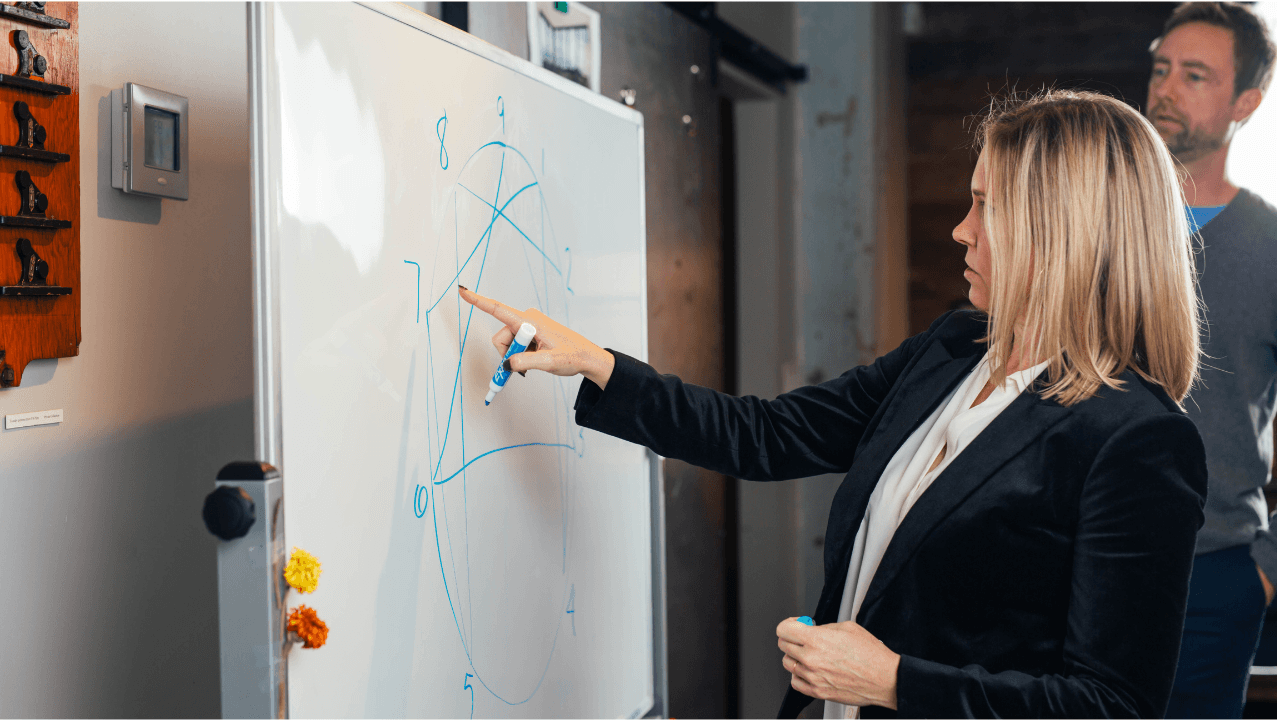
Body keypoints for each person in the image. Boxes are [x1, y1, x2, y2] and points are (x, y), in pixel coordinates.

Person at [460, 89, 1207, 718]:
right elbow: (768, 435)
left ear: (1063, 229)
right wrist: (598, 365)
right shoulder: (953, 347)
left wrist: (890, 681)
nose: (961, 230)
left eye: (986, 206)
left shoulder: (1136, 440)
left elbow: (1110, 704)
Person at [1144, 3, 1278, 717]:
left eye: (1194, 75)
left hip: (1214, 574)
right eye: (1161, 68)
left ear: (1245, 103)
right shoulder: (1099, 226)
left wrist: (1266, 568)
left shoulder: (1272, 246)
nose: (1165, 88)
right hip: (1074, 561)